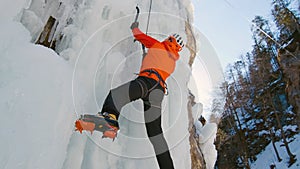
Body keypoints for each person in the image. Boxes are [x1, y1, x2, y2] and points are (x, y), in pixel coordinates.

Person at [75, 21, 184, 169]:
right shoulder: (173, 62)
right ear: (178, 49)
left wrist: (134, 27)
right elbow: (159, 64)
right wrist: (148, 58)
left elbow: (139, 36)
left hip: (145, 82)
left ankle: (110, 120)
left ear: (170, 39)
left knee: (116, 95)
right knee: (156, 135)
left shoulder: (157, 45)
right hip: (158, 93)